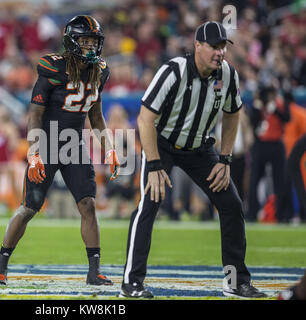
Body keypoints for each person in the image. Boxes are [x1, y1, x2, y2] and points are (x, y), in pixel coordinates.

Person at [120, 21, 266, 299]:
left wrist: (225, 158)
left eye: (223, 46)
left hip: (200, 147)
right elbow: (145, 118)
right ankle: (131, 283)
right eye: (214, 46)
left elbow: (233, 113)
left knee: (231, 204)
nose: (219, 52)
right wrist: (153, 165)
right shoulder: (173, 71)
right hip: (162, 145)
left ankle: (235, 281)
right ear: (197, 46)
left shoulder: (227, 75)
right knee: (149, 204)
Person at [0, 15, 120, 287]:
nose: (90, 47)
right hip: (47, 144)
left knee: (88, 205)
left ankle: (94, 271)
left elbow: (96, 116)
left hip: (74, 146)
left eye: (94, 41)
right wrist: (34, 153)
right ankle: (0, 266)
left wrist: (109, 149)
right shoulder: (52, 67)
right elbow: (35, 115)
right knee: (29, 208)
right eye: (84, 41)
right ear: (72, 41)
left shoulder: (100, 70)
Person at [247, 86, 290, 222]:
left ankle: (282, 214)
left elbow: (287, 118)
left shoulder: (280, 104)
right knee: (254, 179)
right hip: (261, 144)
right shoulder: (259, 106)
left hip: (276, 144)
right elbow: (253, 123)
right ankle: (252, 213)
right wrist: (257, 107)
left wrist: (275, 109)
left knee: (280, 180)